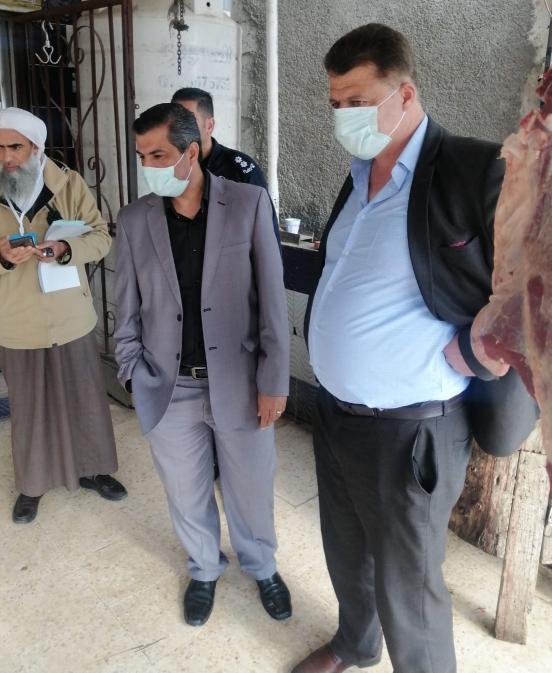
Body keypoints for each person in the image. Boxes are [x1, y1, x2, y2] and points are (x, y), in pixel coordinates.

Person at [291, 24, 537, 673]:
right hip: (337, 413)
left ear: (405, 94)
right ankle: (354, 643)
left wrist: (474, 351)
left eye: (358, 101)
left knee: (411, 588)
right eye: (335, 103)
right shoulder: (358, 176)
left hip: (411, 428)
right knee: (346, 549)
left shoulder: (477, 170)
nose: (343, 116)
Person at [113, 102, 291, 627]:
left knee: (251, 488)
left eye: (159, 155)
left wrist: (274, 381)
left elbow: (272, 302)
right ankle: (204, 568)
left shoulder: (247, 203)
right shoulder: (135, 220)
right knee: (185, 491)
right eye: (142, 156)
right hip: (168, 386)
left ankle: (262, 566)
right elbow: (125, 308)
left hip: (241, 382)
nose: (148, 166)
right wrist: (131, 371)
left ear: (191, 152)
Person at [0, 107, 127, 524]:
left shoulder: (68, 183)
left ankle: (94, 470)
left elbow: (100, 237)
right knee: (30, 407)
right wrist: (0, 257)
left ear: (35, 146)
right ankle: (31, 485)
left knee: (85, 397)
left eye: (15, 146)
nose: (6, 156)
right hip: (17, 320)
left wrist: (66, 249)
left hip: (70, 315)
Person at [171, 87, 280, 242]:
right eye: (175, 122)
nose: (180, 130)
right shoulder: (168, 168)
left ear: (209, 126)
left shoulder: (241, 170)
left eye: (189, 122)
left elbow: (266, 235)